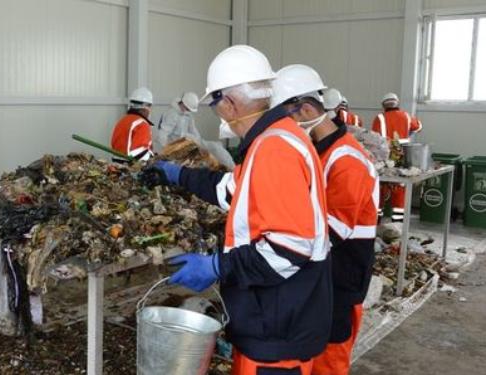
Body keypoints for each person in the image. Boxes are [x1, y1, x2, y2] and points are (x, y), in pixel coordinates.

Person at [149, 46, 332, 375]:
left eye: (216, 104)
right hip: (277, 316)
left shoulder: (274, 150)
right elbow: (230, 191)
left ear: (228, 103)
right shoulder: (276, 139)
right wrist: (177, 175)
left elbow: (290, 248)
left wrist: (217, 266)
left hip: (277, 325)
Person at [272, 65, 379, 375]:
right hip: (321, 273)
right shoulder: (319, 152)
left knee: (329, 360)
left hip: (341, 276)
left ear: (306, 109)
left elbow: (333, 231)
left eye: (287, 117)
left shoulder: (347, 160)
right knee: (312, 354)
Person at [372, 92, 422, 221]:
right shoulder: (406, 116)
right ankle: (398, 224)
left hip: (385, 158)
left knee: (381, 186)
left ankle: (377, 220)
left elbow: (374, 139)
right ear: (397, 103)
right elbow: (418, 127)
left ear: (384, 105)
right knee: (400, 187)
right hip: (402, 158)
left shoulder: (379, 118)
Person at [110, 87, 155, 161]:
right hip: (130, 166)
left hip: (116, 162)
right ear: (145, 108)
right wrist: (152, 157)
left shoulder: (123, 120)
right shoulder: (142, 124)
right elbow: (140, 153)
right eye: (149, 107)